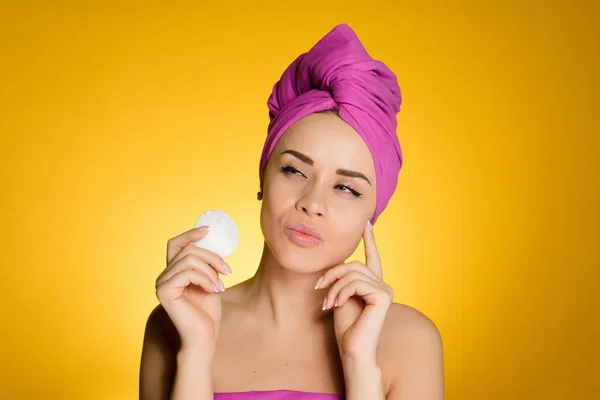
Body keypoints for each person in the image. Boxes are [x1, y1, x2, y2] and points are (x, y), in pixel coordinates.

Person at [139, 24, 444, 400]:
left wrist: (359, 363)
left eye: (346, 188)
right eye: (294, 170)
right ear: (263, 177)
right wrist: (197, 352)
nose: (312, 203)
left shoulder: (410, 341)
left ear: (373, 213)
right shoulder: (174, 323)